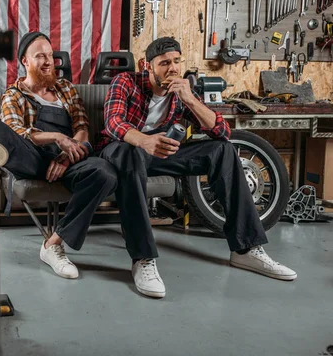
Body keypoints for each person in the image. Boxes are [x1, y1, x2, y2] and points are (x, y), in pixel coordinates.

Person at [98, 37, 297, 299]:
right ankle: (143, 258)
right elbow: (113, 123)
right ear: (147, 65)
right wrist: (144, 141)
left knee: (222, 151)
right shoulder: (125, 81)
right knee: (132, 153)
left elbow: (222, 131)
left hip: (157, 153)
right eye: (164, 63)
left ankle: (246, 250)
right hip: (119, 150)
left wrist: (190, 99)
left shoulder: (181, 91)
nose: (172, 68)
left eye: (176, 62)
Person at [0, 32, 118, 279]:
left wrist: (66, 155)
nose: (49, 61)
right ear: (25, 62)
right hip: (35, 159)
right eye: (40, 56)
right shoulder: (14, 95)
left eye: (50, 55)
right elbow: (18, 131)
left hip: (70, 161)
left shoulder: (66, 90)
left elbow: (82, 129)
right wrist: (55, 137)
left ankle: (53, 244)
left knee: (105, 173)